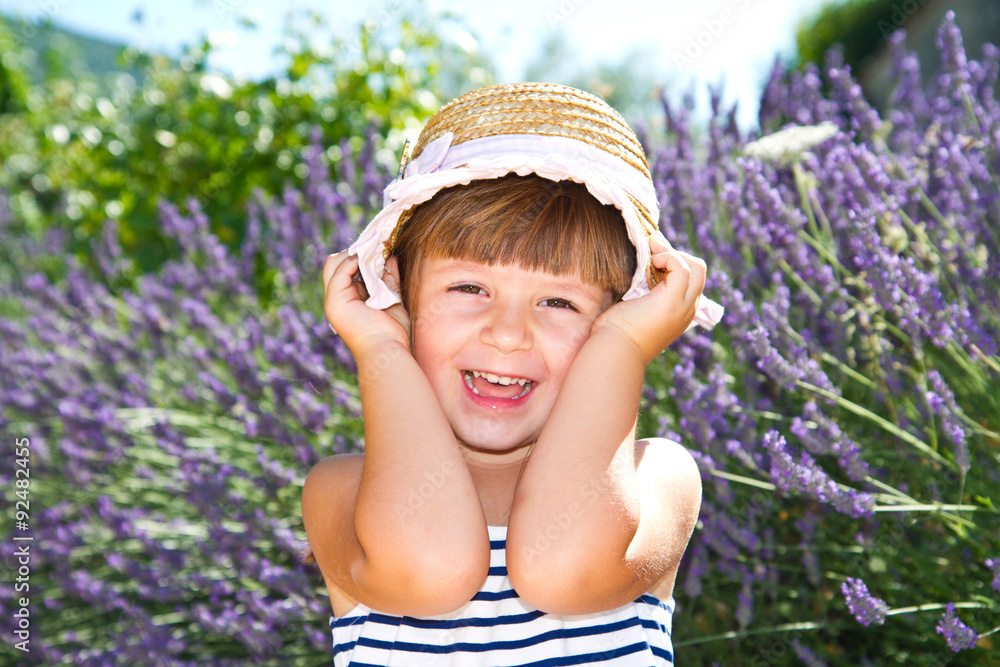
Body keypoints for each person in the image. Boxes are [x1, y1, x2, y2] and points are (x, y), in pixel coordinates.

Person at [303, 82, 724, 666]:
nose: (506, 333)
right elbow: (431, 567)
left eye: (559, 303)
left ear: (622, 316)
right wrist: (380, 346)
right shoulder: (340, 493)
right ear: (401, 295)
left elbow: (562, 568)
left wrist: (622, 346)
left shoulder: (657, 478)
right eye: (469, 287)